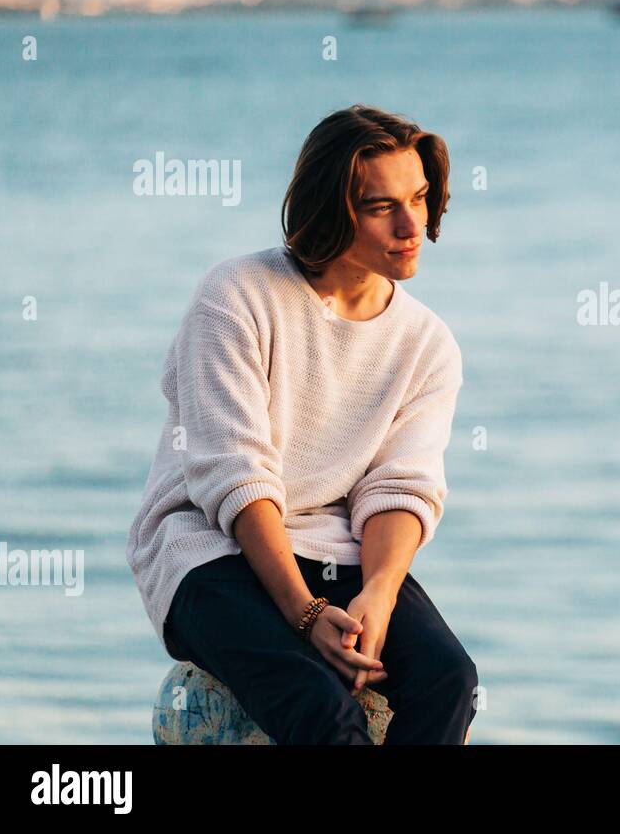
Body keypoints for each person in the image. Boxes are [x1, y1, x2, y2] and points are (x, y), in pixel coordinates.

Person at [126, 104, 476, 744]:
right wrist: (304, 613)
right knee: (320, 706)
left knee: (448, 678)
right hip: (210, 547)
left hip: (335, 546)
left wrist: (379, 594)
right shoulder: (236, 296)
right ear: (331, 209)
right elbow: (235, 476)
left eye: (420, 199)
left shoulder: (427, 344)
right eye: (381, 207)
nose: (410, 226)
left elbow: (401, 488)